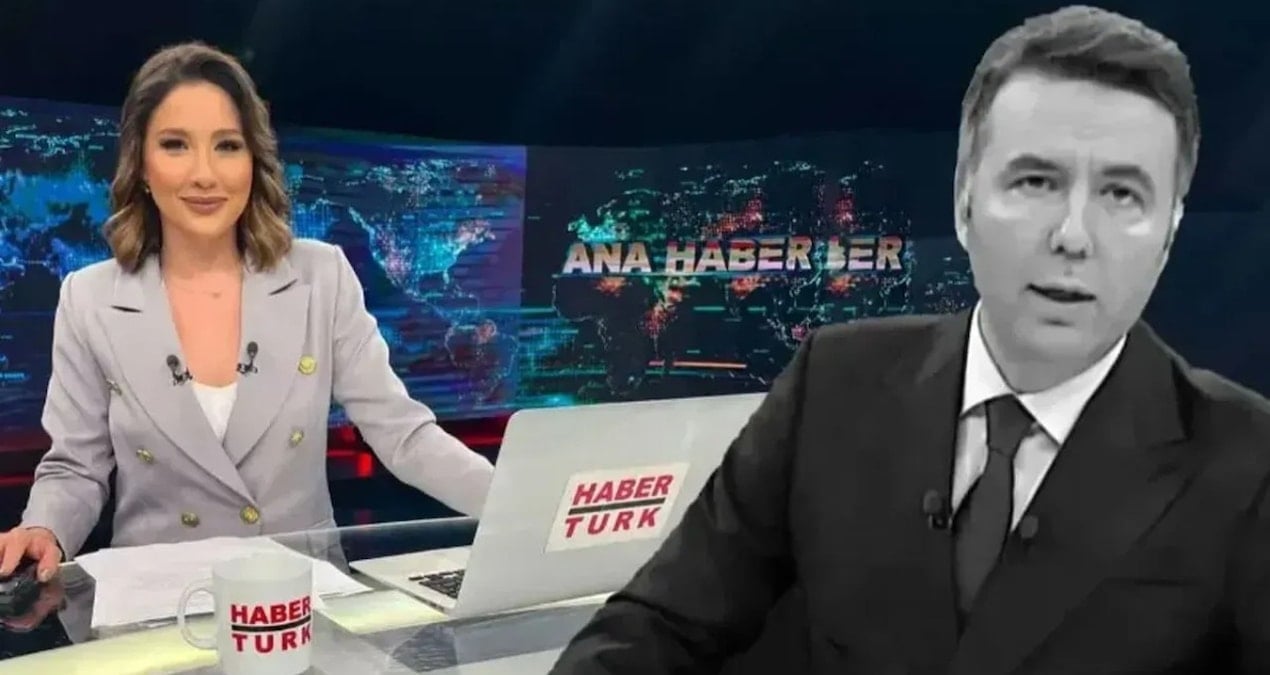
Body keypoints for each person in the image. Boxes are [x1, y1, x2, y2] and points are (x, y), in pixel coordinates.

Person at [550, 6, 1270, 674]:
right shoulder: (833, 383)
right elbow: (659, 626)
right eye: (1035, 181)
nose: (1073, 236)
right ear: (963, 201)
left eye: (1121, 194)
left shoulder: (1249, 463)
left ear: (1169, 233)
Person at [0, 42, 495, 583]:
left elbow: (404, 437)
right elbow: (76, 466)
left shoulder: (321, 276)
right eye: (175, 145)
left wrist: (521, 509)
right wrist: (44, 528)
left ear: (254, 161)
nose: (205, 174)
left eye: (227, 146)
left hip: (300, 600)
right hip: (156, 605)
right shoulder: (89, 298)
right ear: (140, 164)